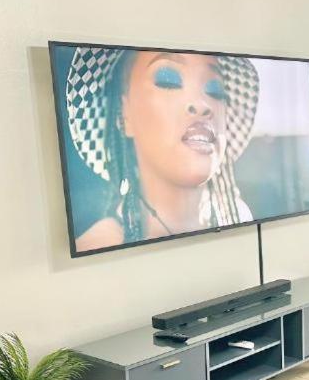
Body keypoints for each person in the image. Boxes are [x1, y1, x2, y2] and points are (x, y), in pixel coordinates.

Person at [62, 47, 259, 252]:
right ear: (124, 112)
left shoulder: (238, 216)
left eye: (215, 90)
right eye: (168, 80)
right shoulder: (99, 247)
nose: (202, 104)